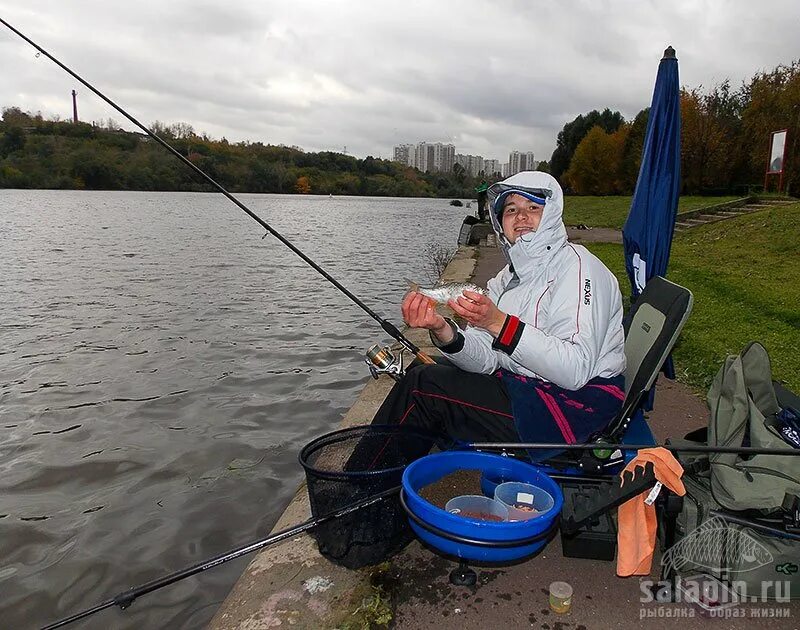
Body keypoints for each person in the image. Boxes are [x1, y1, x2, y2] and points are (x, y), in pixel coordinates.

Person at [372, 171, 626, 459]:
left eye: (533, 207)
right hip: (527, 385)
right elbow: (488, 359)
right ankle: (396, 473)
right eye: (511, 210)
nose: (521, 217)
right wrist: (442, 328)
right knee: (419, 371)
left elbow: (576, 370)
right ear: (500, 222)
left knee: (423, 389)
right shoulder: (508, 277)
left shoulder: (579, 269)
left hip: (577, 404)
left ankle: (359, 493)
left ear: (553, 214)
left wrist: (497, 322)